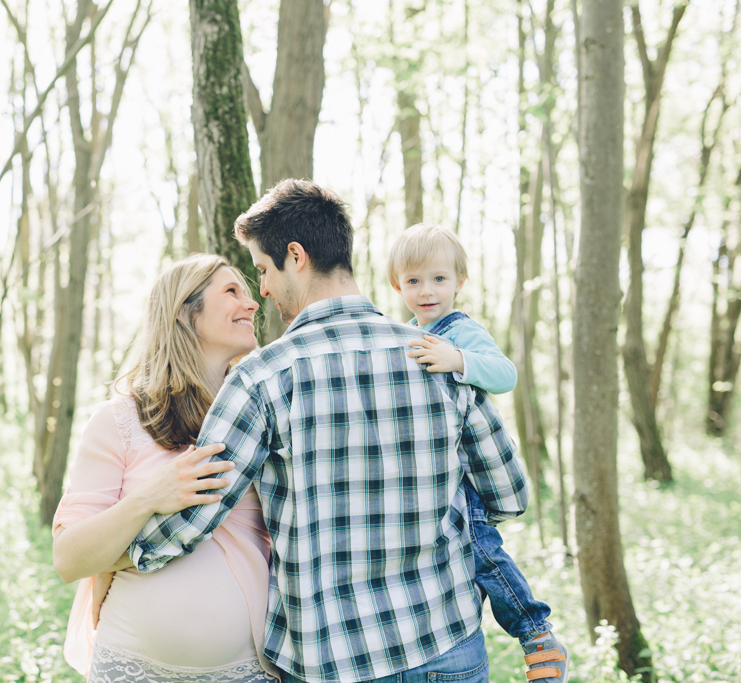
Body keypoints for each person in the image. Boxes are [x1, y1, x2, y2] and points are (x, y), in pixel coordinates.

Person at [129, 180, 530, 683]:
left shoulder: (264, 376)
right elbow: (509, 495)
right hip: (446, 645)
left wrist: (125, 549)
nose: (264, 290)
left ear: (295, 256)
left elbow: (195, 512)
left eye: (262, 269)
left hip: (333, 662)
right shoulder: (436, 356)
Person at [51, 254, 279, 683]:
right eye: (232, 291)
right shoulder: (118, 421)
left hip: (246, 668)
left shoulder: (264, 419)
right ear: (183, 311)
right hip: (132, 666)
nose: (252, 304)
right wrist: (150, 498)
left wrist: (118, 558)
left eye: (248, 293)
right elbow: (67, 558)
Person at [389, 223, 569, 683]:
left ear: (459, 282)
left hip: (468, 479)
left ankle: (537, 633)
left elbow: (505, 374)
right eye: (413, 281)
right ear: (398, 285)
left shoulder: (462, 330)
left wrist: (460, 361)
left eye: (438, 279)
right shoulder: (404, 333)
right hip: (434, 478)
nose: (426, 291)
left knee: (484, 555)